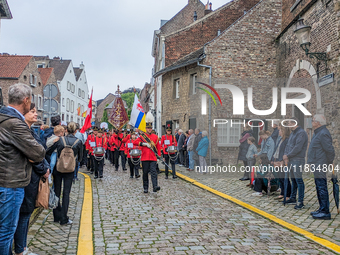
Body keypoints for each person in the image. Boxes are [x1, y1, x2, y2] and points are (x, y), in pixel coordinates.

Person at [0, 83, 45, 255]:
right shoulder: (15, 124)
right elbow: (39, 152)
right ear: (26, 100)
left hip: (5, 178)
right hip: (11, 183)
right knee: (6, 232)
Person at [14, 103, 50, 255]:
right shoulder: (23, 131)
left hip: (33, 179)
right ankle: (20, 249)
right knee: (23, 214)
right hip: (26, 179)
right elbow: (32, 156)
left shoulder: (31, 131)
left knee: (26, 214)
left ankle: (22, 246)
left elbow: (41, 153)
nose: (36, 114)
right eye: (32, 111)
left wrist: (46, 166)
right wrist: (43, 169)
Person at [47, 122, 83, 225]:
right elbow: (80, 158)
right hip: (70, 170)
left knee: (57, 191)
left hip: (58, 169)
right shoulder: (78, 142)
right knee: (66, 193)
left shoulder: (60, 140)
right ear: (76, 131)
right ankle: (64, 218)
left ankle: (56, 215)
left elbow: (48, 151)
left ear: (66, 130)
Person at [308, 114, 335, 220]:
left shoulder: (323, 133)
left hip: (320, 163)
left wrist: (328, 162)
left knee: (322, 187)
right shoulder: (318, 133)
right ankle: (321, 208)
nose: (312, 122)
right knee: (318, 186)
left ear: (318, 123)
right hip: (316, 163)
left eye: (313, 120)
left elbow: (330, 150)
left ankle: (325, 211)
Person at [283, 117, 308, 210]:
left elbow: (298, 147)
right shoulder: (293, 133)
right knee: (293, 180)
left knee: (298, 180)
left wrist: (288, 155)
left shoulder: (301, 133)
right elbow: (288, 145)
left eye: (289, 123)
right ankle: (293, 197)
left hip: (298, 160)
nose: (288, 125)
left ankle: (300, 201)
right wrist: (285, 155)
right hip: (290, 159)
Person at [133, 112, 161, 193]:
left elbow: (158, 148)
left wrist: (158, 156)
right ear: (146, 128)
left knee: (153, 172)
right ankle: (145, 187)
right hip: (145, 158)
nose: (149, 129)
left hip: (153, 157)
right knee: (145, 173)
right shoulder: (142, 137)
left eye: (150, 128)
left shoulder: (155, 137)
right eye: (148, 128)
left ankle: (155, 186)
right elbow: (135, 142)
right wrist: (143, 143)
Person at [271, 125, 291, 201]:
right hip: (277, 160)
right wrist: (273, 159)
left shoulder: (286, 140)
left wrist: (282, 160)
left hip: (282, 161)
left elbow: (285, 151)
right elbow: (276, 150)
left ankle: (288, 194)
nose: (278, 131)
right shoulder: (280, 140)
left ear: (283, 131)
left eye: (280, 130)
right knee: (280, 178)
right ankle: (282, 193)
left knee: (284, 178)